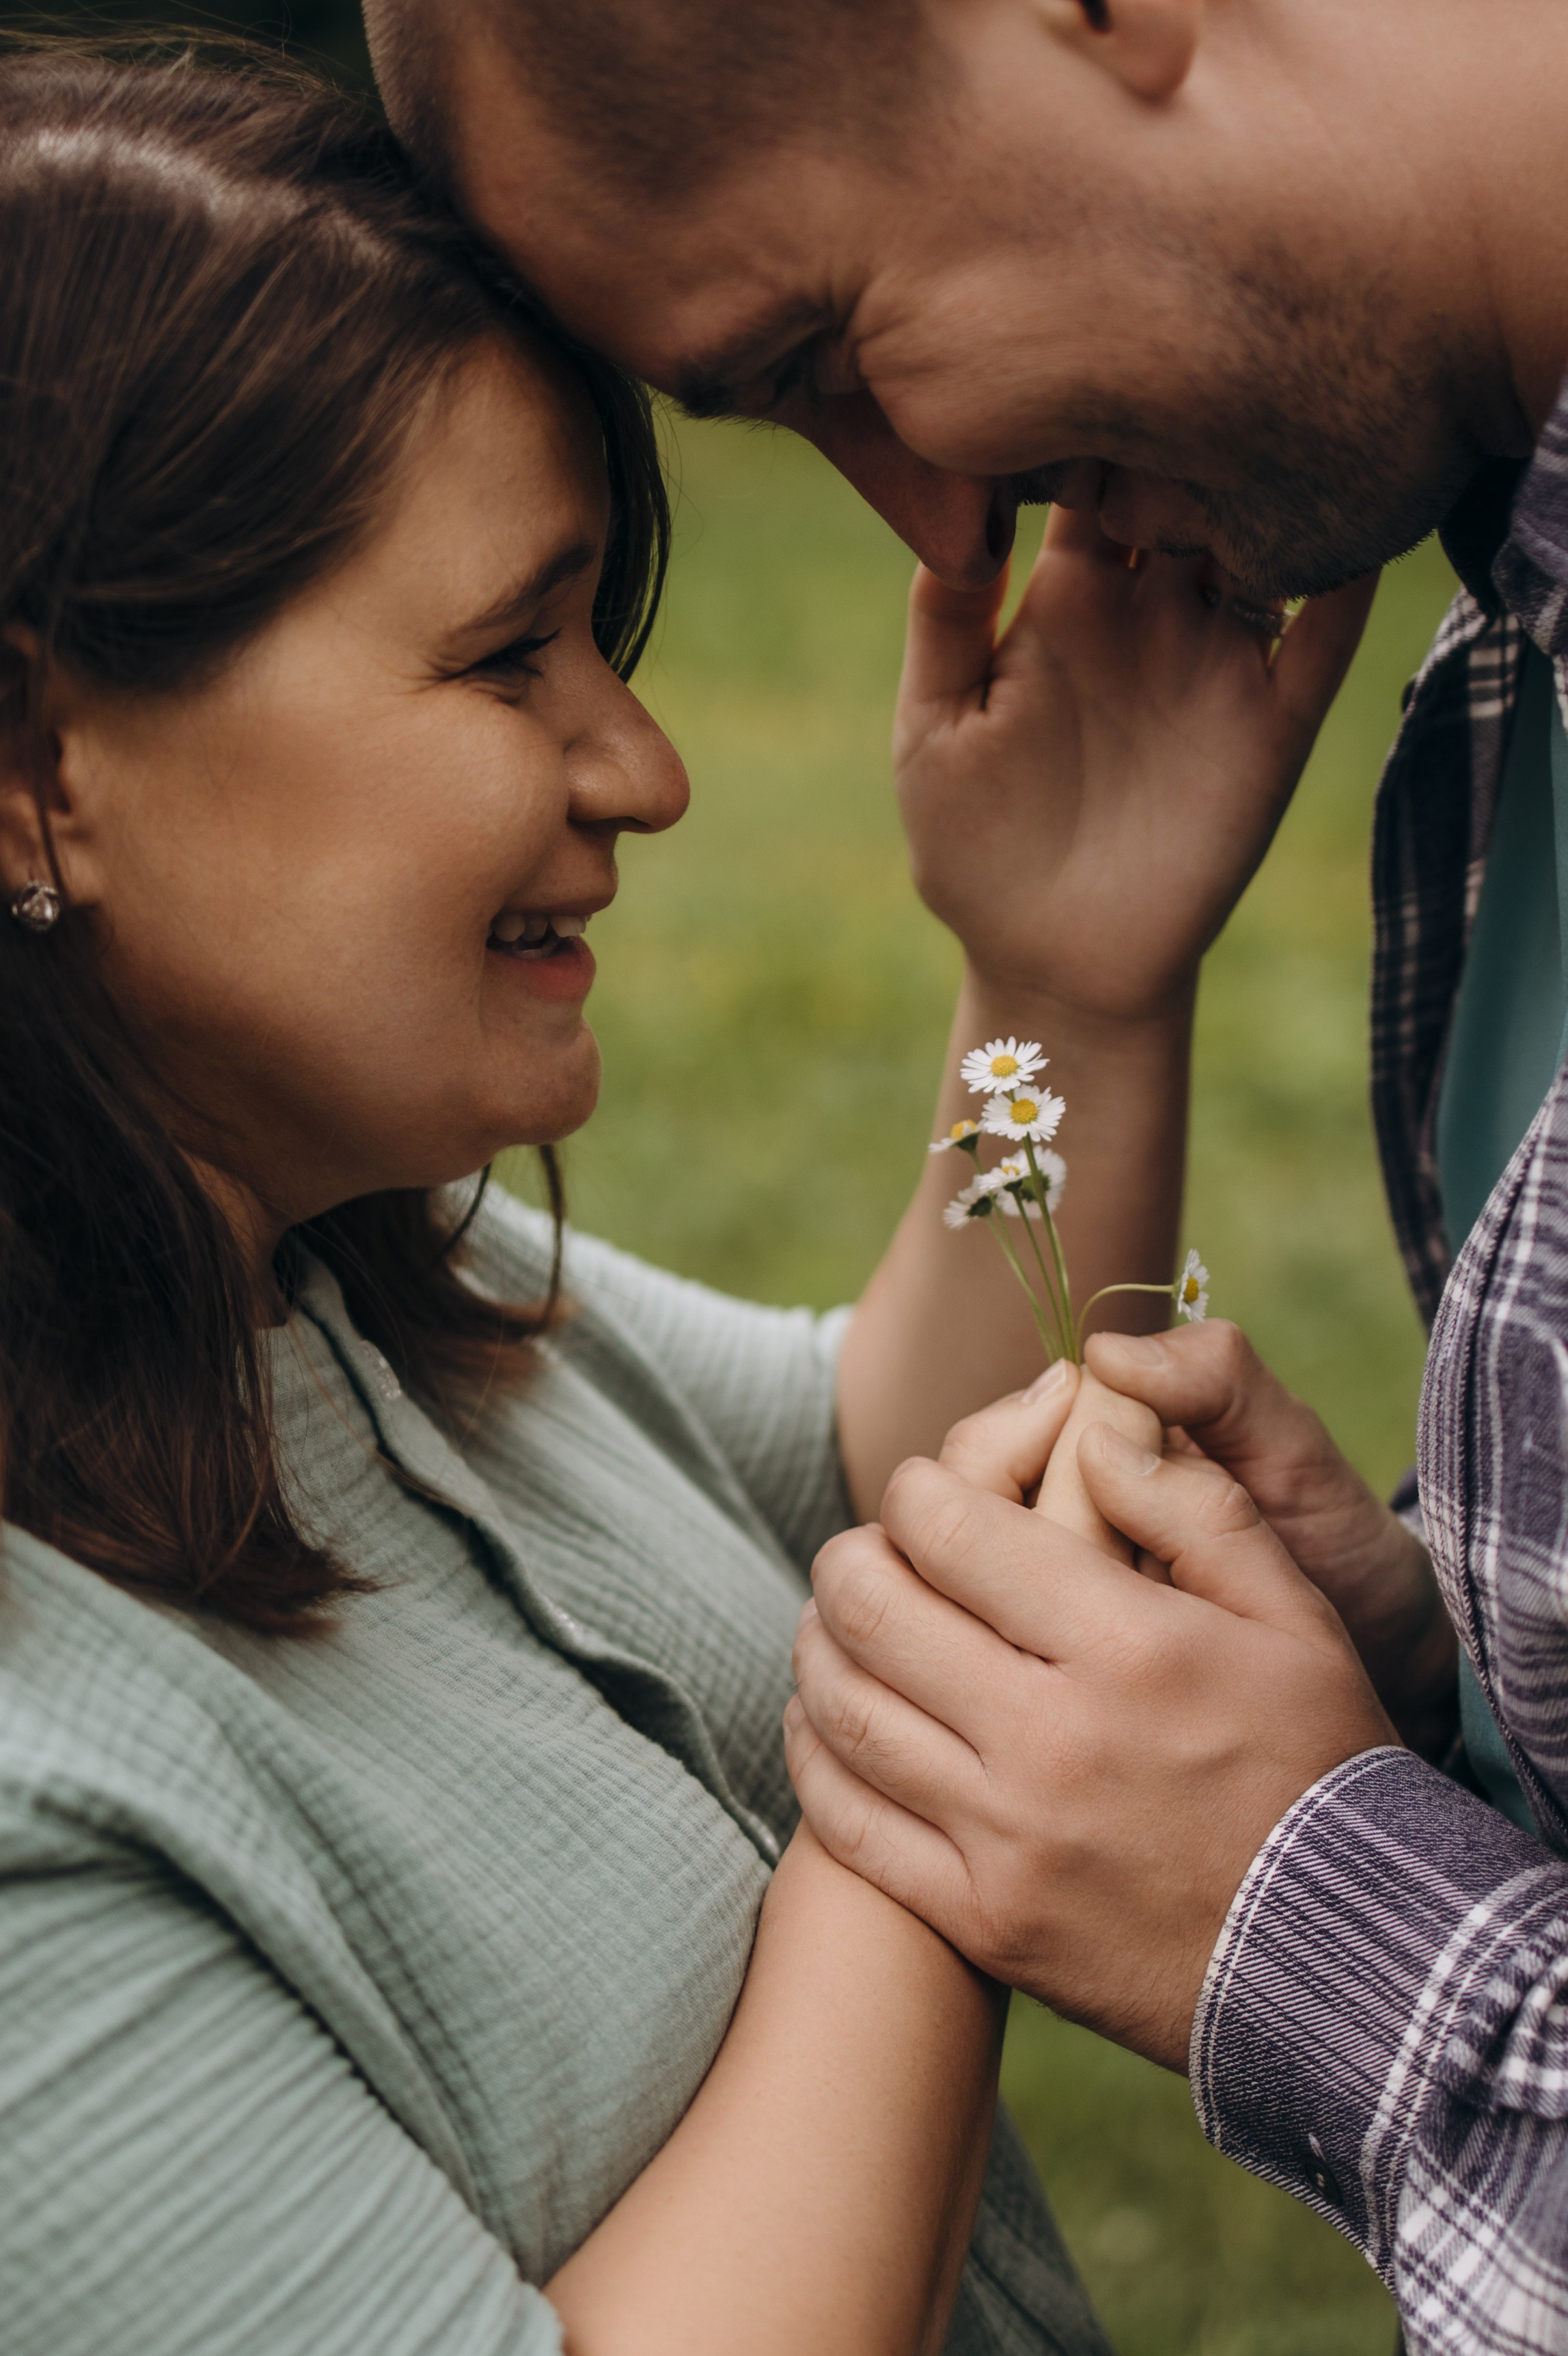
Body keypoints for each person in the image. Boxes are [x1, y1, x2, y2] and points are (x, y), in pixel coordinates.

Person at [3, 34, 1365, 2356]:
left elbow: (873, 1477)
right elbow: (932, 1575)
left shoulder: (322, 1280)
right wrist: (934, 1778)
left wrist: (1061, 981)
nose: (644, 766)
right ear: (36, 774)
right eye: (506, 655)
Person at [365, 0, 1568, 2344]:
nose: (941, 517)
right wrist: (1449, 1670)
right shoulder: (1517, 655)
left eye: (829, 344)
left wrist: (1314, 1904)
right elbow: (875, 1468)